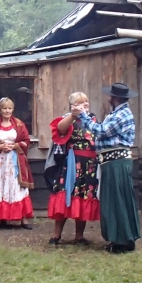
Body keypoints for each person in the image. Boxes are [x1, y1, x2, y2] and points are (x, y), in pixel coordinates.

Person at [74, 83, 141, 254]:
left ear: (115, 98)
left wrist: (83, 116)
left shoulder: (121, 115)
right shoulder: (119, 113)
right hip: (114, 161)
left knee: (115, 200)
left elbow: (102, 131)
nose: (109, 98)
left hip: (116, 162)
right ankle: (125, 237)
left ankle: (120, 240)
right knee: (120, 199)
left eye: (111, 96)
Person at [45, 92, 99, 245]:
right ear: (73, 105)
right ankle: (56, 235)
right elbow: (60, 130)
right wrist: (74, 116)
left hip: (89, 165)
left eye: (87, 101)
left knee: (83, 197)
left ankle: (79, 236)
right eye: (81, 102)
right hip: (71, 164)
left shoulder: (93, 119)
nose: (86, 104)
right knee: (64, 195)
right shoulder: (68, 118)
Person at [0, 97, 35, 229]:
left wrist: (16, 146)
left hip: (15, 163)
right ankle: (2, 218)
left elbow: (27, 141)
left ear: (13, 109)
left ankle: (23, 219)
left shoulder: (19, 124)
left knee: (17, 187)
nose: (7, 111)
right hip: (0, 164)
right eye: (4, 108)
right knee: (2, 186)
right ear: (0, 110)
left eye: (9, 108)